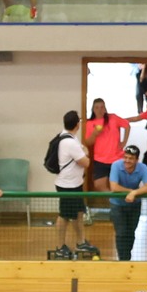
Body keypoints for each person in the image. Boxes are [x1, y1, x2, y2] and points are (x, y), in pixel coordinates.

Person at [46, 110, 94, 261]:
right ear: (77, 124)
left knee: (79, 212)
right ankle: (60, 247)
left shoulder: (65, 136)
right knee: (64, 216)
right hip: (68, 185)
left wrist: (83, 152)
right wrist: (86, 153)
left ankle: (80, 242)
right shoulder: (70, 142)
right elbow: (86, 162)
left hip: (75, 183)